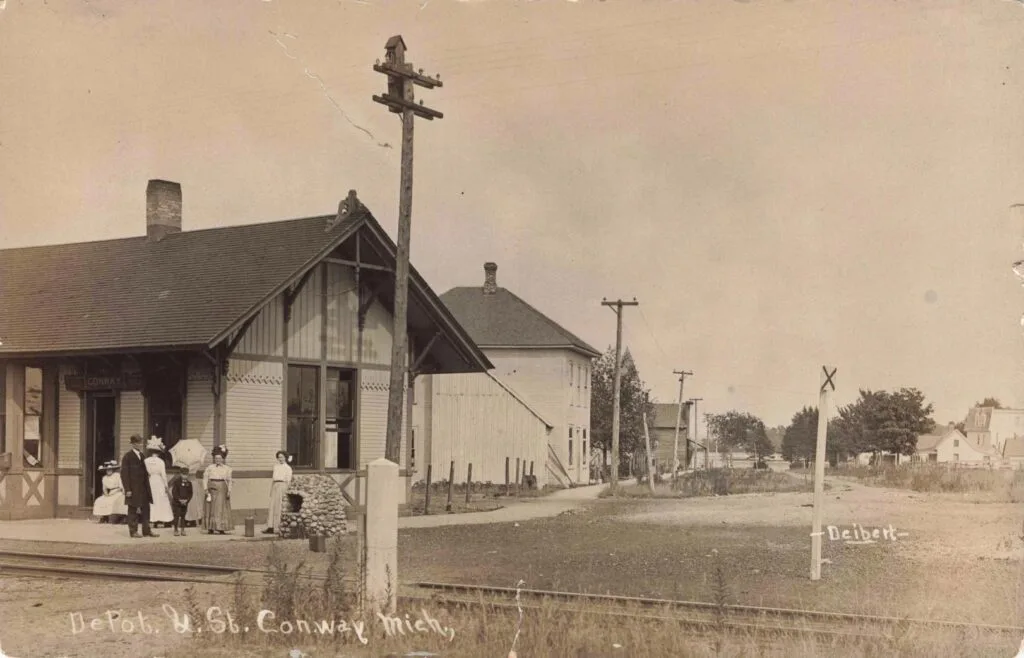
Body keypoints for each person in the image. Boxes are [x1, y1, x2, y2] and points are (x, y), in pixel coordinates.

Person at [120, 434, 157, 538]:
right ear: (132, 444)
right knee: (132, 509)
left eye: (140, 442)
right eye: (136, 443)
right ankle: (133, 531)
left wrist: (147, 473)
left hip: (143, 487)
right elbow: (124, 474)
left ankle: (147, 530)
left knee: (146, 508)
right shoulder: (127, 457)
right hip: (133, 488)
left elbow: (143, 470)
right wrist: (127, 489)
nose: (138, 444)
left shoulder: (142, 455)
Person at [203, 445, 233, 534]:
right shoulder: (210, 468)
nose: (218, 460)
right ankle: (210, 528)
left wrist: (229, 491)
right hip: (211, 487)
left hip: (222, 488)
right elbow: (205, 478)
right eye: (216, 458)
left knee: (220, 508)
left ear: (223, 459)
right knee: (211, 507)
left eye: (219, 458)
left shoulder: (227, 469)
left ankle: (221, 527)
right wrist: (205, 489)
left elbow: (229, 480)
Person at [264, 450, 293, 534]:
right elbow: (273, 479)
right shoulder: (275, 467)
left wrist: (286, 491)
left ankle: (278, 527)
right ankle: (270, 527)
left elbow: (288, 481)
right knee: (272, 506)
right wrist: (271, 489)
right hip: (275, 486)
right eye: (279, 457)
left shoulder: (288, 468)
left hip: (282, 486)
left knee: (279, 506)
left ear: (285, 458)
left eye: (282, 457)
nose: (280, 459)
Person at [145, 447, 174, 527]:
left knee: (153, 500)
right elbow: (163, 475)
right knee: (162, 500)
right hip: (159, 480)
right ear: (158, 453)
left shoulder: (146, 461)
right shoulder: (161, 461)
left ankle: (154, 520)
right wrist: (166, 486)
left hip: (151, 481)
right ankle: (165, 520)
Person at [168, 465, 194, 537]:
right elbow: (174, 492)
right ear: (180, 474)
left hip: (185, 503)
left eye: (186, 474)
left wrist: (186, 500)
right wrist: (179, 500)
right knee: (176, 516)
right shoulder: (176, 482)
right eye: (183, 474)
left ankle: (183, 529)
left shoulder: (189, 483)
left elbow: (190, 493)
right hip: (177, 503)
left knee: (183, 516)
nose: (185, 476)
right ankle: (176, 529)